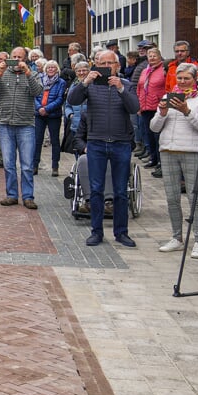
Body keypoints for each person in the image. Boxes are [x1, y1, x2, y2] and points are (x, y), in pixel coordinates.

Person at [69, 49, 141, 247]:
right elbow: (72, 100)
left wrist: (120, 89)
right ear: (96, 65)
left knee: (120, 191)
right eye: (103, 63)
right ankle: (96, 232)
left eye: (111, 63)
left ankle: (121, 232)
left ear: (118, 66)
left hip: (120, 143)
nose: (107, 67)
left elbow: (135, 107)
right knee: (96, 190)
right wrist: (85, 82)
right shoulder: (90, 86)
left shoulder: (126, 84)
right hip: (97, 142)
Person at [150, 63, 198, 258]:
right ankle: (176, 237)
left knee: (195, 197)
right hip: (168, 150)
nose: (183, 83)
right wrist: (162, 112)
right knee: (172, 197)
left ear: (195, 79)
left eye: (187, 79)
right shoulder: (168, 97)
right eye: (180, 78)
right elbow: (154, 127)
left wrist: (187, 111)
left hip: (192, 151)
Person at [0, 48, 43, 208]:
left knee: (26, 164)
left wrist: (28, 73)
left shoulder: (33, 74)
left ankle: (28, 196)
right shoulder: (2, 73)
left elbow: (37, 91)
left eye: (20, 58)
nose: (16, 60)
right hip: (5, 124)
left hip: (26, 124)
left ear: (26, 60)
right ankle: (11, 195)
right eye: (14, 57)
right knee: (9, 163)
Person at [32, 60, 68, 177]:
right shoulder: (39, 79)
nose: (51, 69)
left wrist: (47, 109)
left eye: (53, 67)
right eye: (49, 68)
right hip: (39, 115)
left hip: (54, 115)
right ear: (45, 69)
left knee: (55, 141)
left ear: (57, 69)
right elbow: (35, 95)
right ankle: (34, 165)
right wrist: (39, 108)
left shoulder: (61, 82)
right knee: (37, 140)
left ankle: (55, 166)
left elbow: (59, 99)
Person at [136, 47, 168, 172]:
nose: (152, 58)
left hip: (158, 107)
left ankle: (161, 161)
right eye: (150, 56)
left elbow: (166, 86)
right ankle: (153, 157)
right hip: (145, 107)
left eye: (154, 55)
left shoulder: (163, 70)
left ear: (160, 57)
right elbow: (139, 87)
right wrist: (138, 103)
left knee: (158, 136)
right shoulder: (145, 71)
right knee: (148, 134)